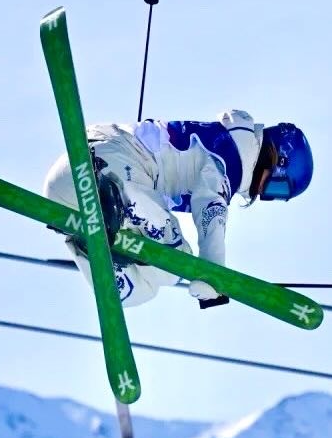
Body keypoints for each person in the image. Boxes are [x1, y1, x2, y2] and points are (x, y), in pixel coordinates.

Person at [44, 114, 313, 306]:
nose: (262, 194)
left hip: (64, 187)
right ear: (276, 160)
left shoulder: (223, 155)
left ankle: (93, 248)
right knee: (177, 257)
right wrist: (213, 271)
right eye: (276, 188)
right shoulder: (231, 155)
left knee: (153, 283)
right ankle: (124, 198)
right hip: (108, 161)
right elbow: (211, 210)